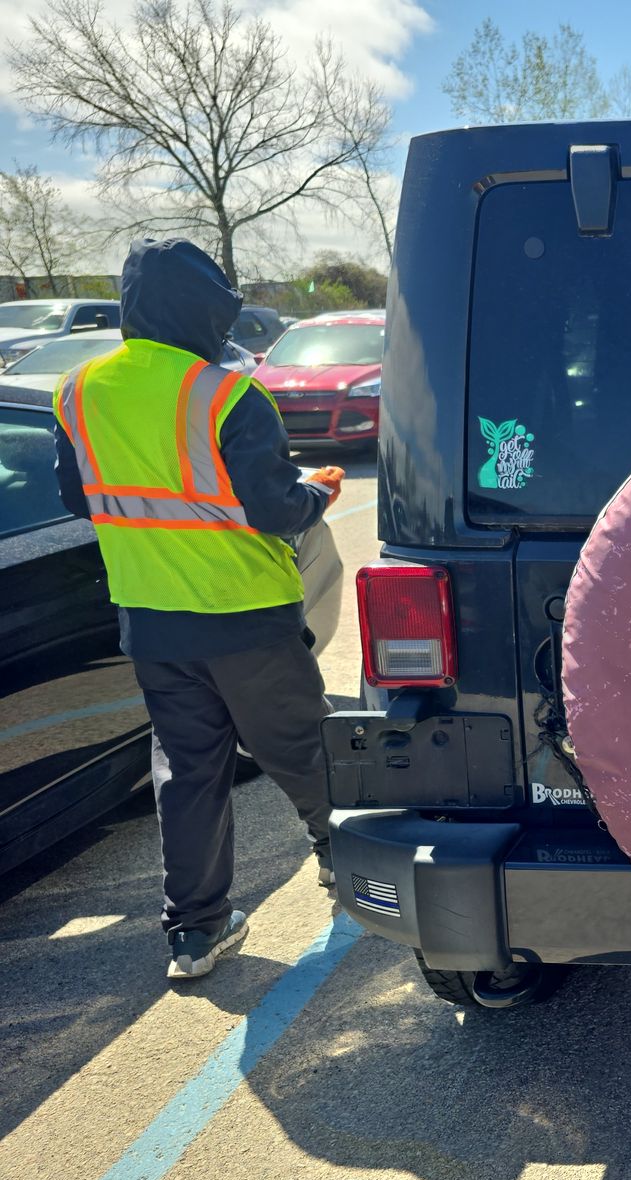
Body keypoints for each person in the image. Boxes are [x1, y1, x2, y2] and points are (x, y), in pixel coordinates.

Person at [52, 238, 346, 980]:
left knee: (188, 774)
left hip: (151, 620)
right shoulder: (226, 394)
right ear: (207, 312)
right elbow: (277, 510)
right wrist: (320, 492)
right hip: (246, 614)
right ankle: (347, 864)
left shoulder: (77, 390)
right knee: (300, 749)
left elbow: (75, 496)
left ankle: (194, 934)